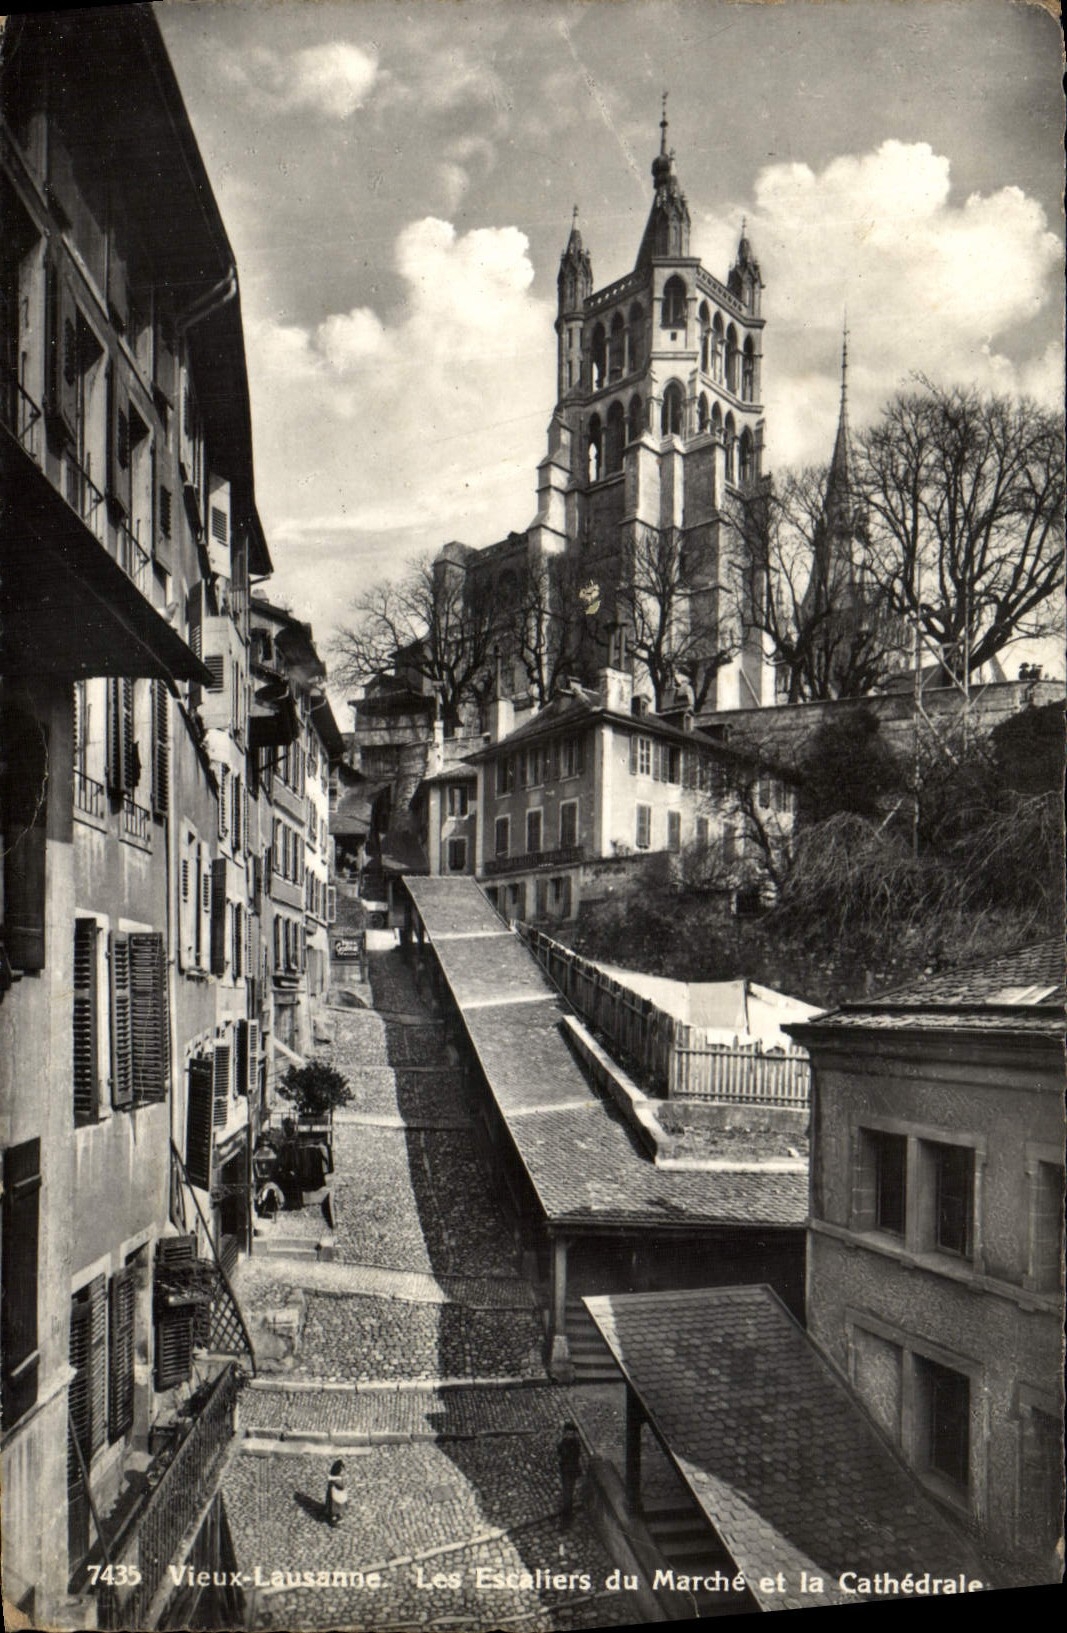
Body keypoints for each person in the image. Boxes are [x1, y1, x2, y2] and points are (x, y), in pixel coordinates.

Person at [558, 1422, 582, 1527]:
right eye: (568, 1434)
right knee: (567, 1493)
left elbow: (567, 1455)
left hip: (570, 1471)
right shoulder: (565, 1442)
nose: (569, 1436)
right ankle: (567, 1513)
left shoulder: (574, 1445)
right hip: (565, 1470)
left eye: (571, 1434)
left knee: (567, 1494)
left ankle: (566, 1519)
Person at [325, 1458, 348, 1527]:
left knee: (334, 1505)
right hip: (336, 1496)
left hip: (335, 1495)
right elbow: (341, 1486)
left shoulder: (333, 1479)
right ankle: (333, 1519)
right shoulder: (336, 1480)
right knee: (335, 1506)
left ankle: (335, 1515)